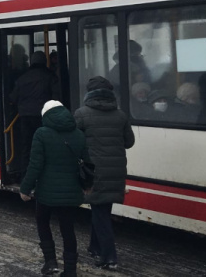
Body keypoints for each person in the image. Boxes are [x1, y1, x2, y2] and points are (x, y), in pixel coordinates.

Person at [20, 100, 90, 277]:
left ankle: (50, 262)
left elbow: (35, 164)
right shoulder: (79, 135)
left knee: (43, 222)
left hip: (46, 192)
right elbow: (87, 164)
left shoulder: (41, 134)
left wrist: (25, 188)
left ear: (46, 115)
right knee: (68, 229)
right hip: (71, 191)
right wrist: (87, 186)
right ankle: (70, 270)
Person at [73, 76, 135, 270]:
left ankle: (109, 257)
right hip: (116, 171)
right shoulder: (121, 115)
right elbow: (129, 142)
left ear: (89, 93)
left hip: (94, 172)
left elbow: (75, 142)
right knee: (101, 209)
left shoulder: (81, 114)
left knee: (100, 214)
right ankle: (95, 247)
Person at [9, 51, 61, 177]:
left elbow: (12, 98)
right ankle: (45, 174)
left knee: (27, 146)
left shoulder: (22, 78)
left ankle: (25, 175)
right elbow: (56, 97)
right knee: (45, 146)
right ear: (44, 61)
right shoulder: (50, 76)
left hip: (25, 117)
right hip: (44, 117)